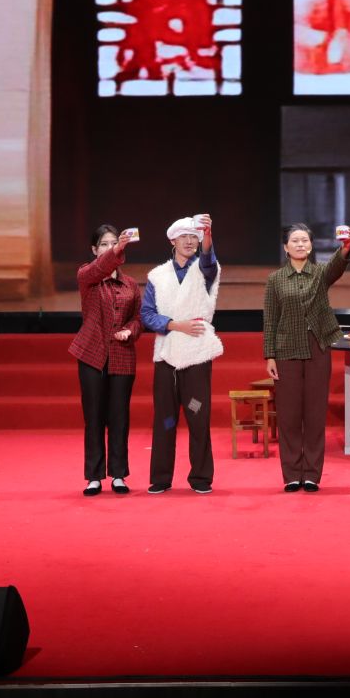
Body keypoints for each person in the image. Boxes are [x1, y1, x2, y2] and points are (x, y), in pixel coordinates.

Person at [262, 220, 350, 492]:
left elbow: (337, 266)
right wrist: (269, 356)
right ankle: (292, 474)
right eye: (295, 241)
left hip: (317, 348)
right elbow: (270, 319)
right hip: (286, 349)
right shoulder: (275, 279)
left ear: (311, 246)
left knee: (314, 414)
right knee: (289, 415)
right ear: (286, 247)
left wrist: (345, 247)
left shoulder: (321, 274)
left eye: (305, 240)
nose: (300, 244)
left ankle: (312, 474)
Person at [141, 212, 221, 494]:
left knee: (197, 415)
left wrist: (207, 234)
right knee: (165, 418)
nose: (189, 241)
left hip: (196, 354)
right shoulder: (157, 276)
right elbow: (147, 314)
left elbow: (208, 259)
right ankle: (161, 478)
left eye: (194, 237)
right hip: (167, 355)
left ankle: (200, 478)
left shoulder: (205, 269)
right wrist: (176, 325)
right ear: (172, 241)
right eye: (184, 237)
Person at [70, 223, 142, 495]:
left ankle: (118, 475)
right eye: (104, 244)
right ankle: (94, 476)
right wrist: (117, 250)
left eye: (114, 243)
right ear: (94, 249)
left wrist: (130, 331)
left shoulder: (131, 284)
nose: (110, 248)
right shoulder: (86, 275)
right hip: (91, 354)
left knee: (119, 417)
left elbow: (138, 318)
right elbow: (99, 268)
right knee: (94, 417)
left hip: (122, 355)